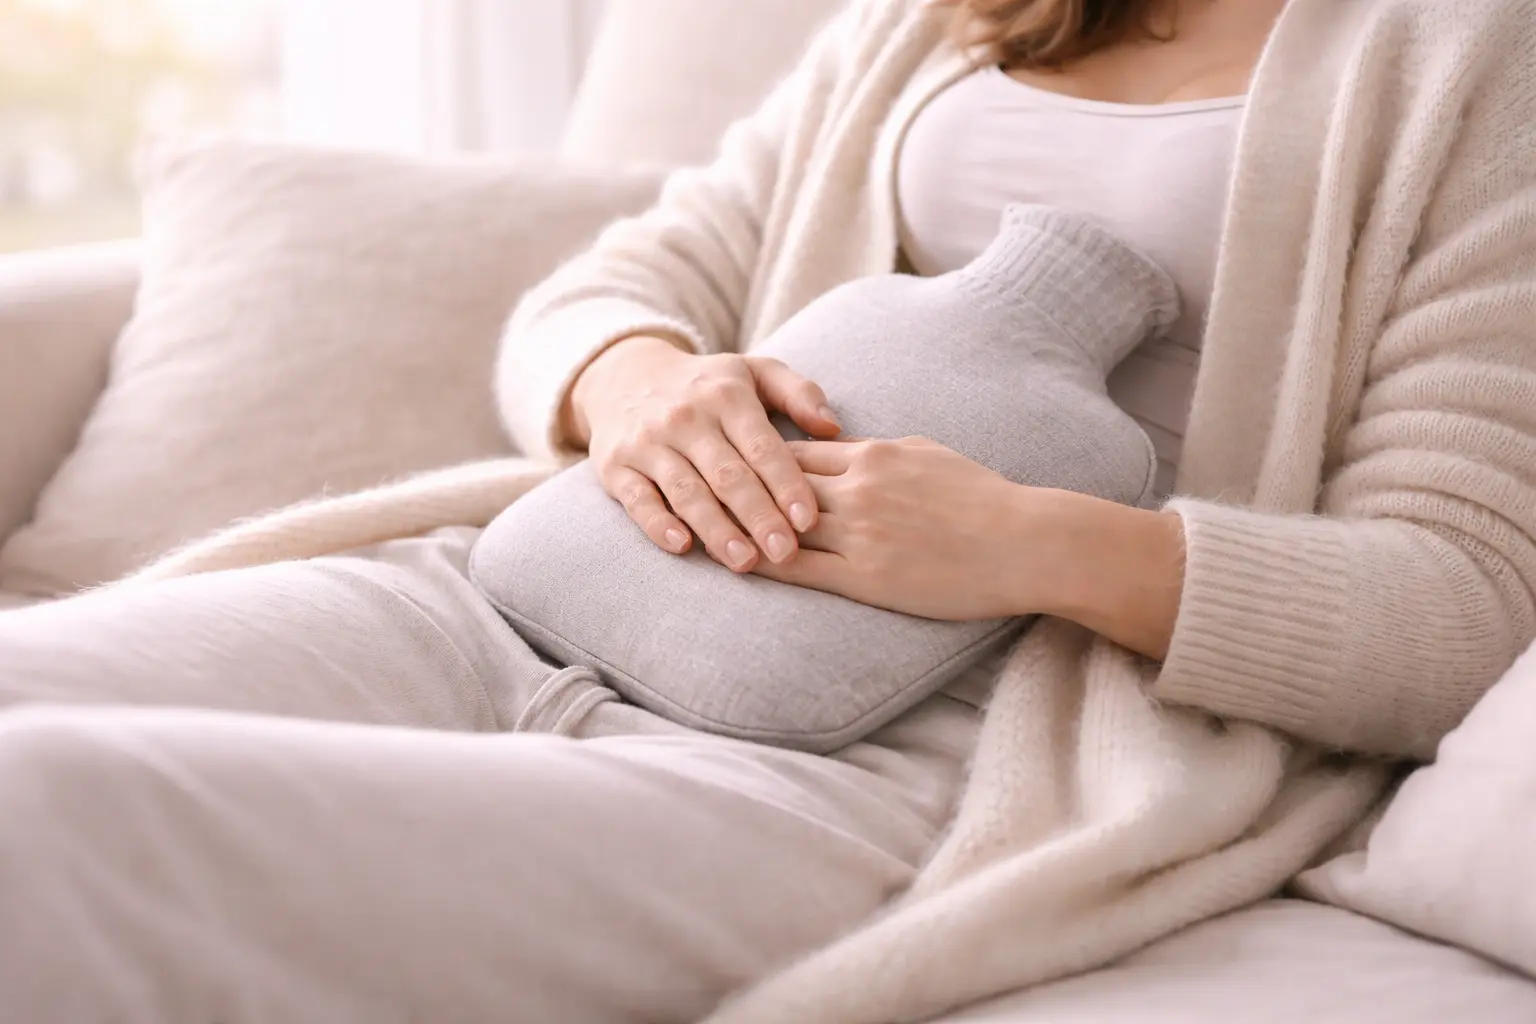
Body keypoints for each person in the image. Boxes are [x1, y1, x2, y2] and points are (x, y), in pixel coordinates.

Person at [2, 0, 1534, 1021]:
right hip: (529, 585)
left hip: (930, 739)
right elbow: (621, 282)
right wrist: (638, 386)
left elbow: (1463, 604)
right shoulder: (941, 15)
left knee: (52, 818)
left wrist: (1030, 544)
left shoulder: (1472, 56)